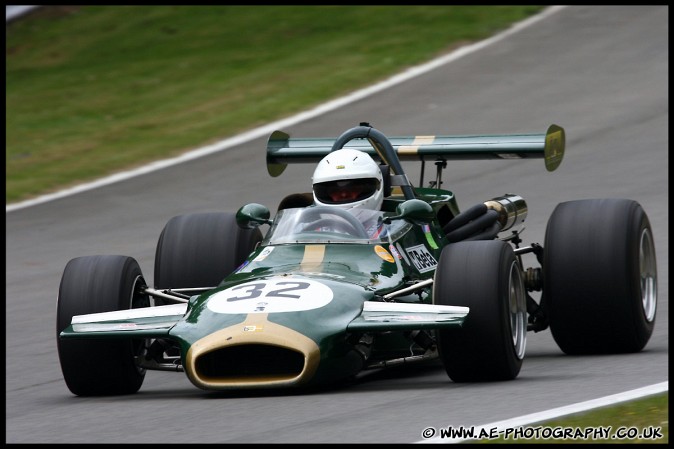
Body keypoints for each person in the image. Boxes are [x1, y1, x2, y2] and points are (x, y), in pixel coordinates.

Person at [310, 148, 386, 238]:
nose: (343, 194)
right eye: (334, 191)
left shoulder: (392, 232)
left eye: (353, 188)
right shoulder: (303, 232)